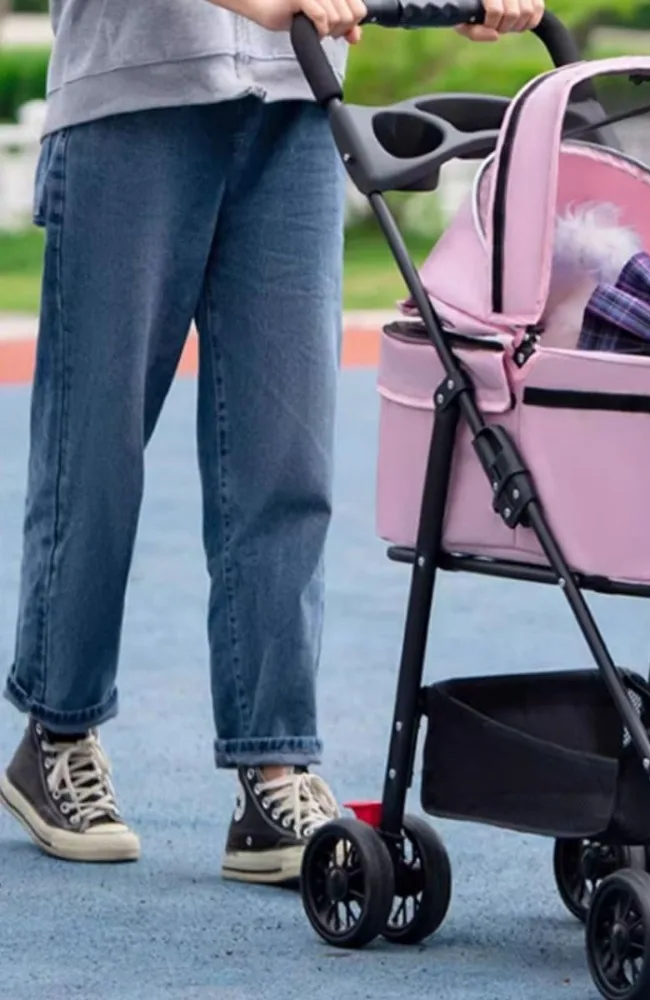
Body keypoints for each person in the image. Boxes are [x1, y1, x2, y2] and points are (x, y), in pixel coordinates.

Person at [0, 0, 544, 884]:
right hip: (132, 98)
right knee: (95, 449)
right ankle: (56, 732)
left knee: (286, 459)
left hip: (294, 98)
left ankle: (273, 767)